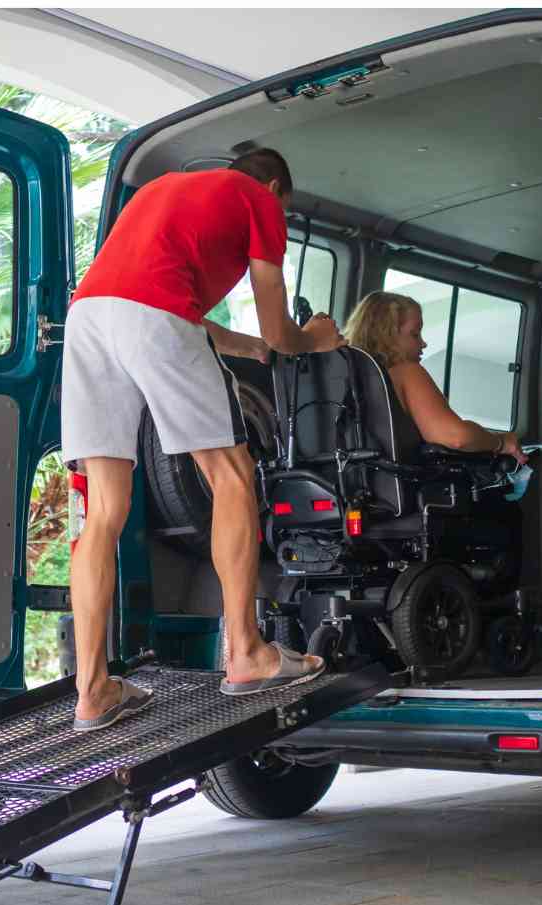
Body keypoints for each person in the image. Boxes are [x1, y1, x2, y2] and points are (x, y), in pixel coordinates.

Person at [62, 148, 345, 733]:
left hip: (88, 320)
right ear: (272, 186)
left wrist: (246, 348)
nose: (279, 221)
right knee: (232, 476)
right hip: (153, 314)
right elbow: (280, 332)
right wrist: (315, 337)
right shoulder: (258, 199)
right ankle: (246, 651)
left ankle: (92, 691)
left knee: (105, 512)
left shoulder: (163, 190)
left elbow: (147, 303)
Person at [343, 291, 528, 463]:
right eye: (414, 334)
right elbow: (456, 438)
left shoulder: (347, 377)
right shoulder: (406, 371)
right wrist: (501, 442)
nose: (423, 343)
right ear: (387, 336)